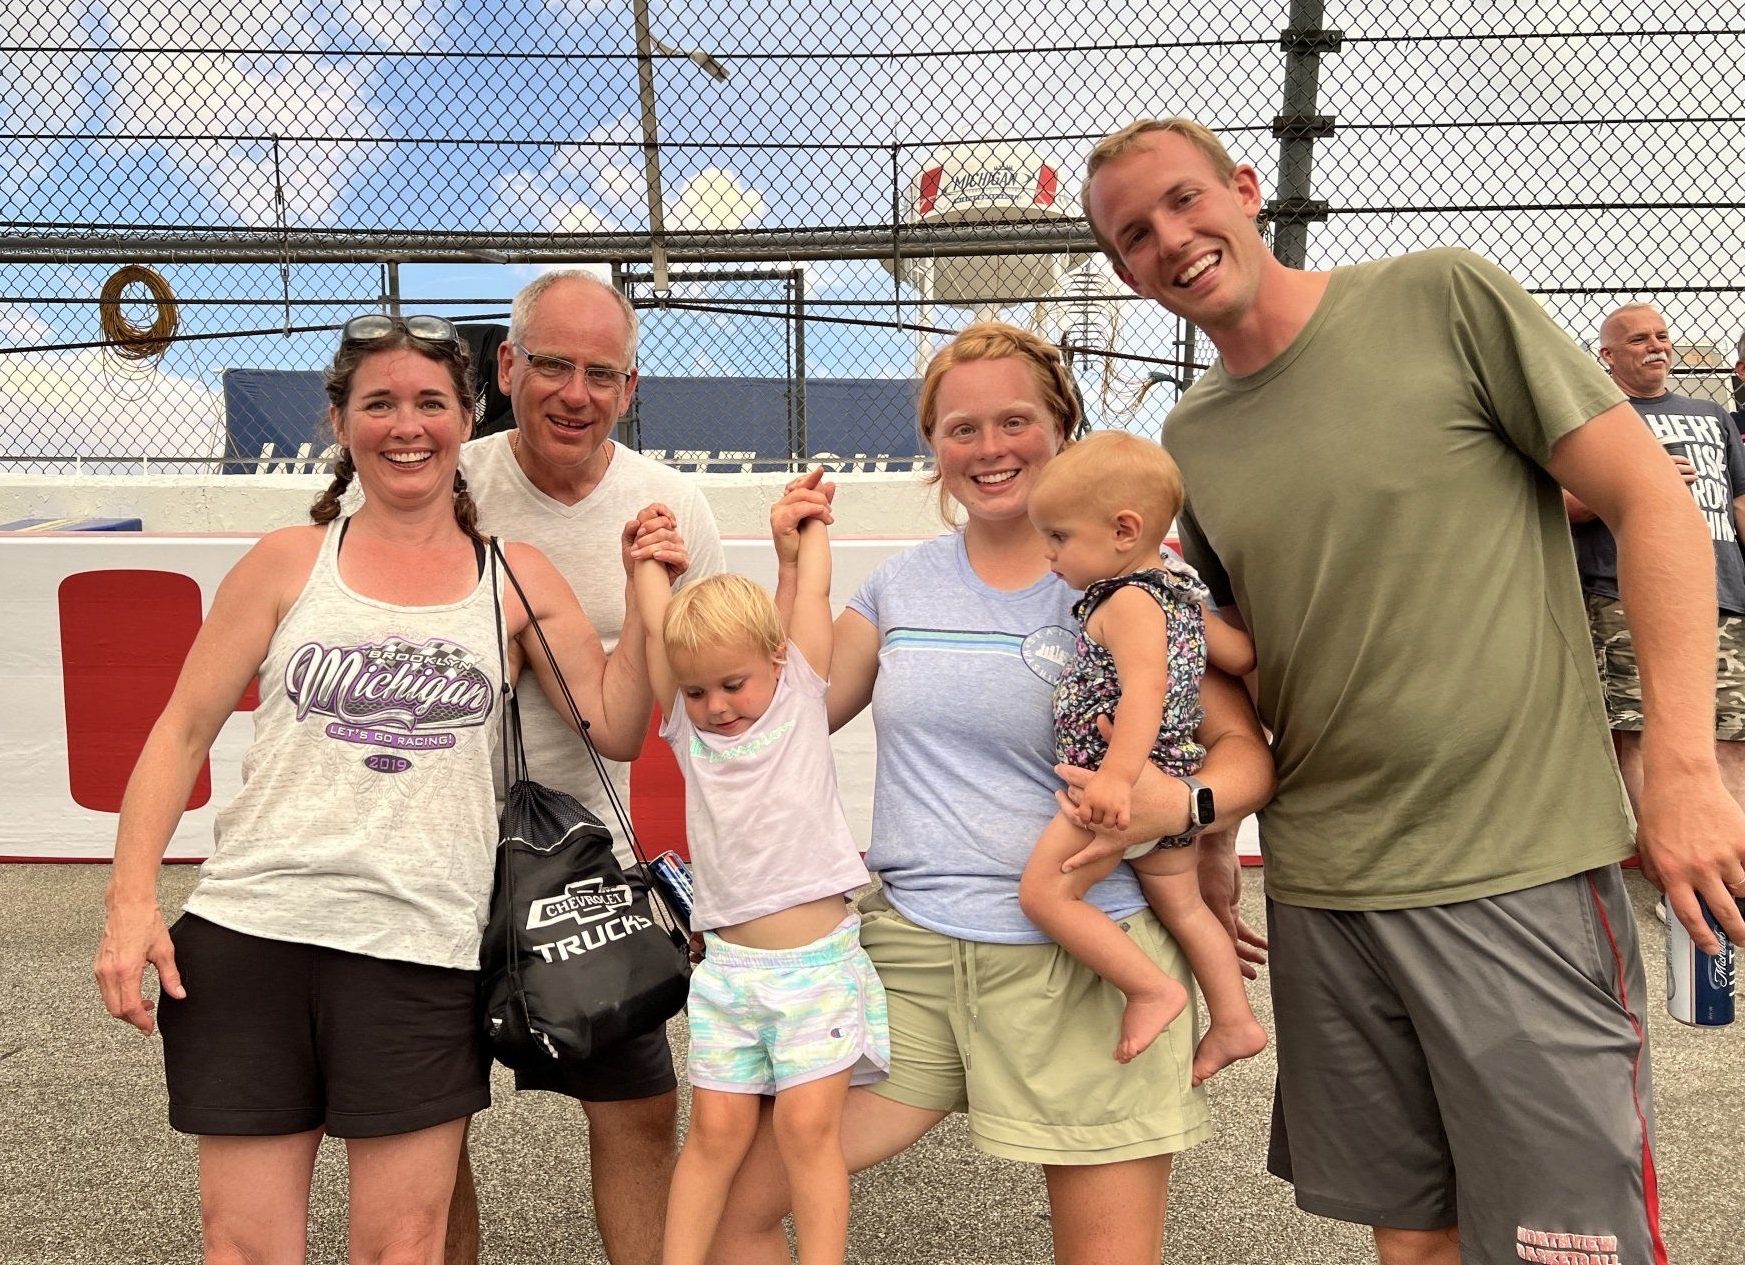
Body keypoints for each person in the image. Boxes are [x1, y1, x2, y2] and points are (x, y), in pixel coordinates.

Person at [1085, 117, 1745, 1265]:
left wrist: (1682, 768)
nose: (1172, 240)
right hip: (1330, 890)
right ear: (1124, 271)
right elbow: (1240, 653)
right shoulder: (1193, 437)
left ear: (1246, 189)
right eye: (1135, 235)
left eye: (1187, 202)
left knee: (1568, 1250)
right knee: (1413, 1238)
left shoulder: (1444, 298)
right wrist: (1207, 831)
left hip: (1516, 868)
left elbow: (1656, 506)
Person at [93, 313, 680, 1265]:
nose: (405, 426)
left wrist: (645, 589)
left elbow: (615, 725)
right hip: (252, 932)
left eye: (429, 404)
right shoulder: (289, 561)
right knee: (241, 1244)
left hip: (420, 948)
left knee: (402, 1247)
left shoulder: (515, 580)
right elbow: (180, 733)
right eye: (379, 404)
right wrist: (130, 905)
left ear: (465, 417)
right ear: (339, 421)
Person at [709, 322, 1276, 1265]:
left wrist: (1185, 811)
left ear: (1063, 428)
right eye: (960, 428)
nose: (988, 448)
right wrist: (794, 564)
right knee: (734, 1208)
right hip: (911, 956)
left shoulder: (1135, 577)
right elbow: (787, 711)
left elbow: (1241, 754)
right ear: (933, 447)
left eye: (1014, 420)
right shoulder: (900, 586)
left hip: (1088, 963)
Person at [452, 269, 725, 1265]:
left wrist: (724, 886)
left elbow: (720, 695)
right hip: (434, 861)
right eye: (554, 365)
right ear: (508, 365)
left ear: (631, 386)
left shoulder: (671, 508)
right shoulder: (447, 479)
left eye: (601, 373)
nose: (576, 392)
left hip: (580, 867)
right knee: (430, 1135)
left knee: (644, 1115)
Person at [636, 474, 887, 1265]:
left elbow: (812, 590)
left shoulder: (799, 699)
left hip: (815, 971)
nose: (716, 704)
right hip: (730, 974)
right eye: (699, 690)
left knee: (808, 1133)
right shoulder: (689, 731)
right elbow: (654, 633)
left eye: (733, 683)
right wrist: (648, 557)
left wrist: (807, 525)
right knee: (712, 1133)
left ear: (776, 659)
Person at [1018, 431, 1268, 1085]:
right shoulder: (1182, 588)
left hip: (1115, 791)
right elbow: (1240, 658)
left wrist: (1115, 782)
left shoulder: (1126, 601)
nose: (1048, 555)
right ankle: (1236, 1020)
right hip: (1170, 782)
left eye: (1059, 537)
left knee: (1045, 893)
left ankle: (1150, 989)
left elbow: (1144, 693)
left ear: (1124, 530)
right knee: (1184, 906)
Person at [1567, 301, 1745, 822]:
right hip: (1625, 598)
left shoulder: (1711, 415)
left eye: (1662, 336)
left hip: (1722, 594)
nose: (1657, 346)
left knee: (1730, 736)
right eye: (1639, 339)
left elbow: (1738, 502)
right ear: (1607, 356)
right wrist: (1641, 483)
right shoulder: (1592, 421)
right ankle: (1671, 875)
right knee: (1640, 732)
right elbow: (1559, 505)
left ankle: (1733, 881)